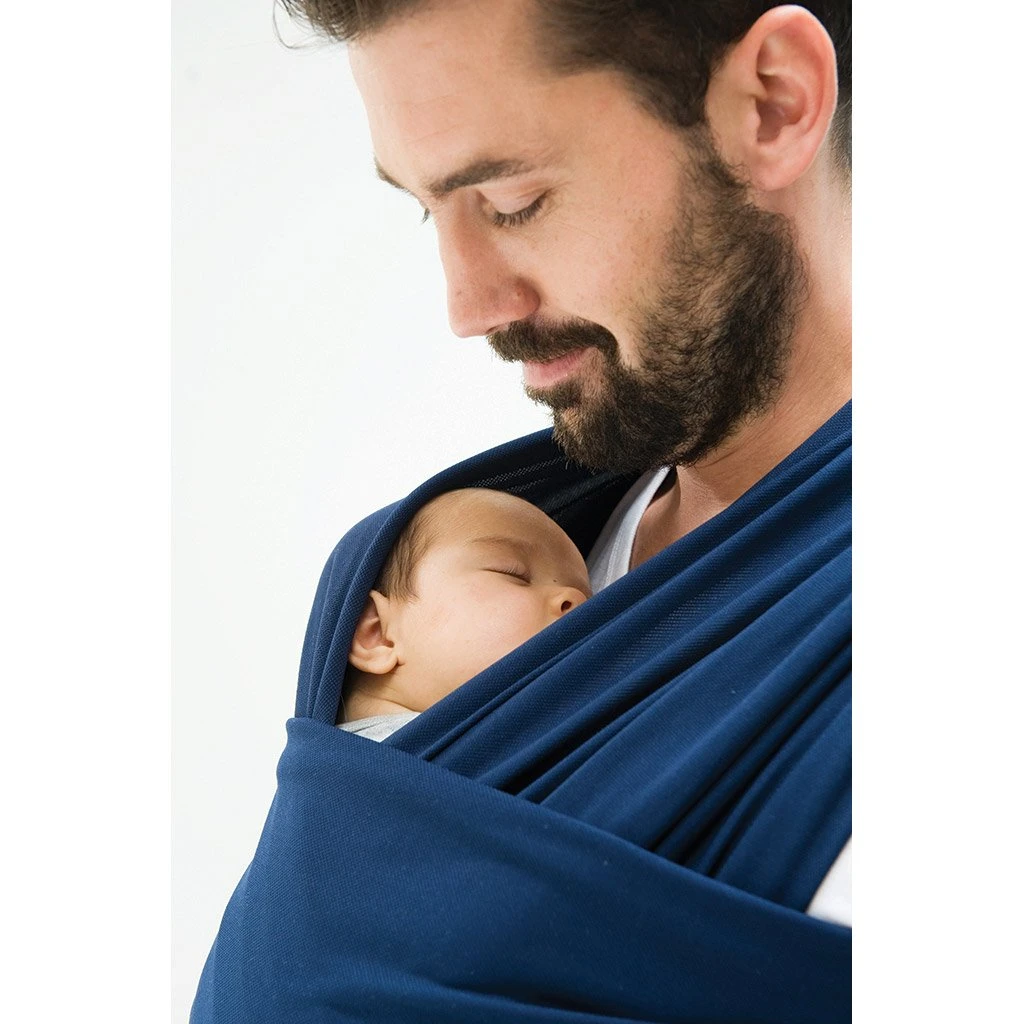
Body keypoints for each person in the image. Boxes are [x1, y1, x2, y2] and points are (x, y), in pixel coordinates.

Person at [192, 2, 852, 1020]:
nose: (466, 307)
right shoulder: (471, 540)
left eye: (512, 202)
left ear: (773, 104)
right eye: (429, 211)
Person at [340, 486, 591, 739]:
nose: (577, 599)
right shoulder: (360, 759)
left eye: (591, 599)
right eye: (513, 572)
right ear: (377, 634)